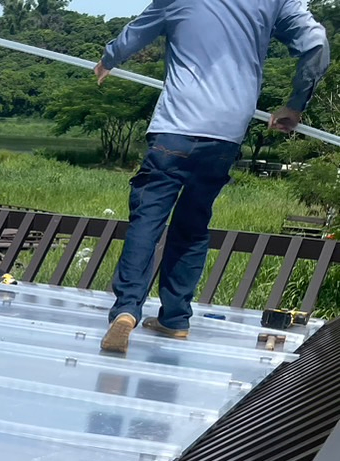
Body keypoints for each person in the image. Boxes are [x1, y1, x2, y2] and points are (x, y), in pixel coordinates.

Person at [97, 0, 330, 355]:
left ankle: (127, 310)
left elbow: (136, 34)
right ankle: (175, 319)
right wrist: (295, 104)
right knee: (193, 224)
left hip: (174, 128)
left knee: (148, 219)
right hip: (226, 135)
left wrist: (109, 59)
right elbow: (316, 44)